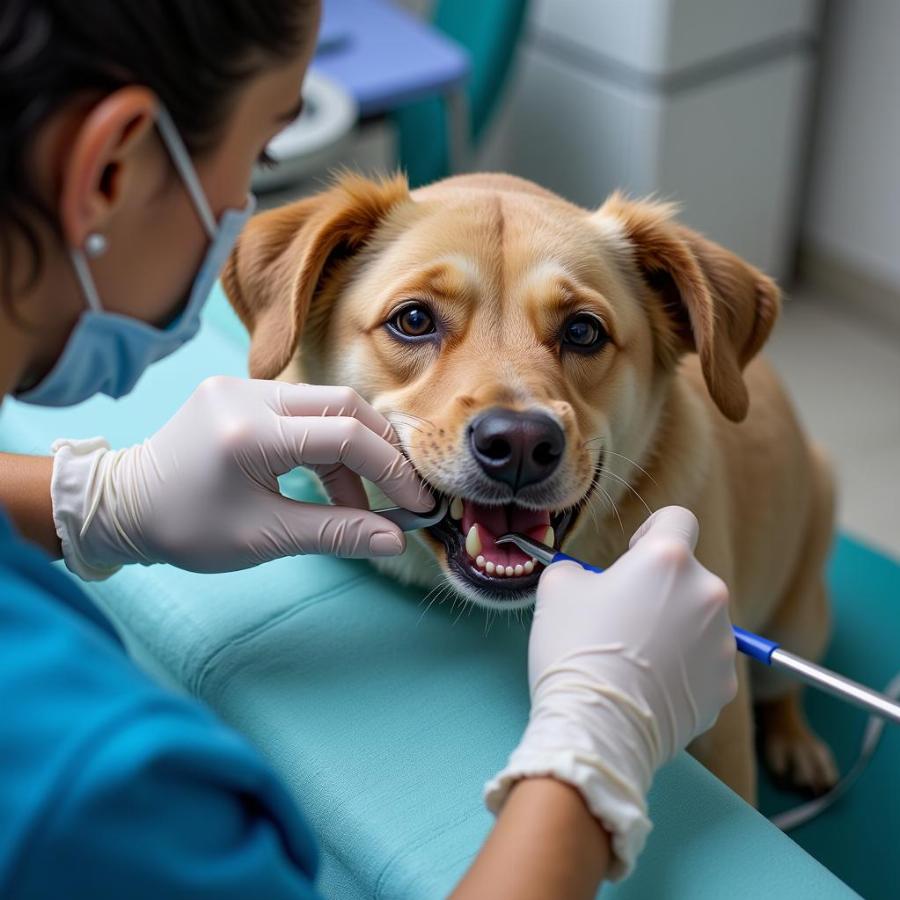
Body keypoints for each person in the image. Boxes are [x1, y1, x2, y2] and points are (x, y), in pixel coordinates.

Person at [0, 1, 738, 897]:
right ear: (108, 169)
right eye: (264, 151)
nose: (244, 208)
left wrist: (86, 499)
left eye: (579, 333)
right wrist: (596, 751)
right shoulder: (100, 787)